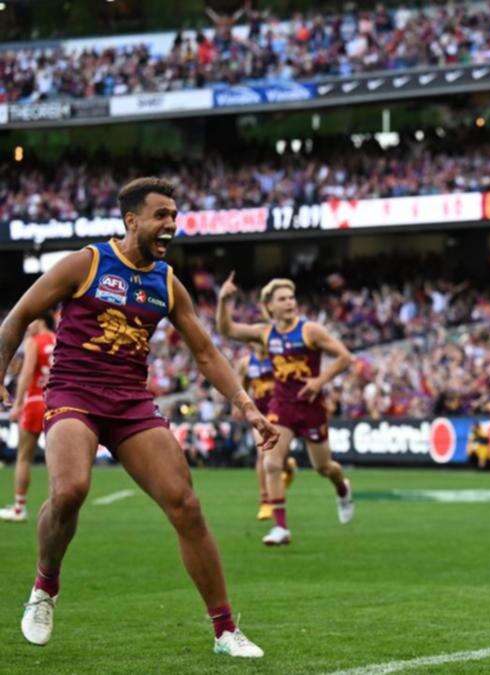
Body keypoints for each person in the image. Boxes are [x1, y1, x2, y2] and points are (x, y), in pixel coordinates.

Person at [0, 177, 274, 657]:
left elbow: (206, 352)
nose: (171, 224)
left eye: (174, 215)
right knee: (69, 491)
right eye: (161, 215)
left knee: (185, 504)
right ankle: (44, 588)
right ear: (132, 221)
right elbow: (18, 316)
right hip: (74, 393)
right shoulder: (85, 264)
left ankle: (225, 631)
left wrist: (247, 406)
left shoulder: (166, 282)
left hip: (130, 402)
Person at [217, 274, 355, 546]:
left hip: (312, 408)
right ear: (270, 305)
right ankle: (281, 528)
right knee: (270, 462)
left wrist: (319, 381)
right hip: (282, 407)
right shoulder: (266, 333)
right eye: (283, 299)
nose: (290, 302)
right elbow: (227, 330)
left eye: (291, 297)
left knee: (324, 467)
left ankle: (342, 487)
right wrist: (223, 301)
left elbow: (344, 357)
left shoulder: (310, 330)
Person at [0, 314, 55, 523]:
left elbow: (26, 373)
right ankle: (56, 505)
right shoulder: (60, 339)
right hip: (57, 402)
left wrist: (17, 404)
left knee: (24, 457)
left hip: (34, 401)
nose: (28, 326)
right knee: (54, 459)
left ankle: (19, 507)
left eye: (31, 321)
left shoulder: (34, 341)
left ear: (40, 321)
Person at [238, 346, 296, 521]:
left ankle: (288, 467)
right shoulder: (246, 363)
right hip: (260, 414)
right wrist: (242, 407)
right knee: (263, 453)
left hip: (280, 412)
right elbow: (242, 387)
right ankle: (265, 501)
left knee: (277, 456)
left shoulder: (277, 359)